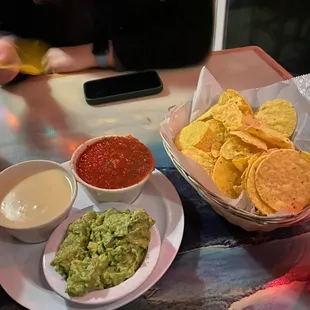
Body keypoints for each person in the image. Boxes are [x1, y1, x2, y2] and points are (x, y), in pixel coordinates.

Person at [0, 0, 214, 85]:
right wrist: (8, 45)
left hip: (150, 82)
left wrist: (96, 54)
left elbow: (193, 38)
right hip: (41, 94)